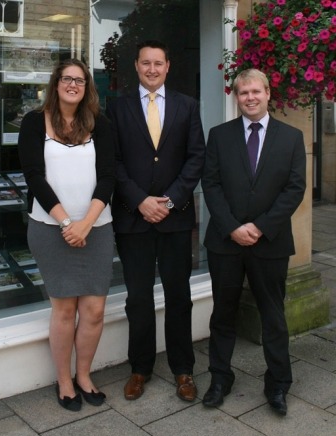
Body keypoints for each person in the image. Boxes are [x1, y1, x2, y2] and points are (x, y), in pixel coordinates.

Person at [201, 68, 306, 416]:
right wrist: (232, 227)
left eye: (256, 91)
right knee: (223, 314)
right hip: (225, 242)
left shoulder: (291, 137)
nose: (250, 97)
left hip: (270, 243)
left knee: (273, 317)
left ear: (268, 92)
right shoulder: (219, 135)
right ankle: (220, 378)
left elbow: (295, 189)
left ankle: (278, 384)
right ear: (236, 96)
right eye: (243, 92)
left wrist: (259, 227)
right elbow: (211, 185)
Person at [106, 40, 206, 402]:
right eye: (145, 63)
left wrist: (172, 200)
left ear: (168, 66)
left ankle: (183, 370)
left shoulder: (188, 106)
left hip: (175, 218)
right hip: (133, 220)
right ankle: (140, 368)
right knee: (138, 298)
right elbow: (112, 162)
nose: (151, 69)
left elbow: (196, 158)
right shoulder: (116, 109)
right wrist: (140, 201)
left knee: (179, 296)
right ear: (136, 66)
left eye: (158, 63)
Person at [18, 59, 115, 412]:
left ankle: (84, 375)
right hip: (49, 229)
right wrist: (65, 224)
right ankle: (63, 380)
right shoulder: (34, 122)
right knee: (63, 309)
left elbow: (108, 176)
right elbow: (34, 177)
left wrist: (86, 223)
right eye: (66, 79)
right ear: (55, 83)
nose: (73, 84)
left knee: (94, 310)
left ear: (87, 86)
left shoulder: (100, 124)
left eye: (79, 80)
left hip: (97, 229)